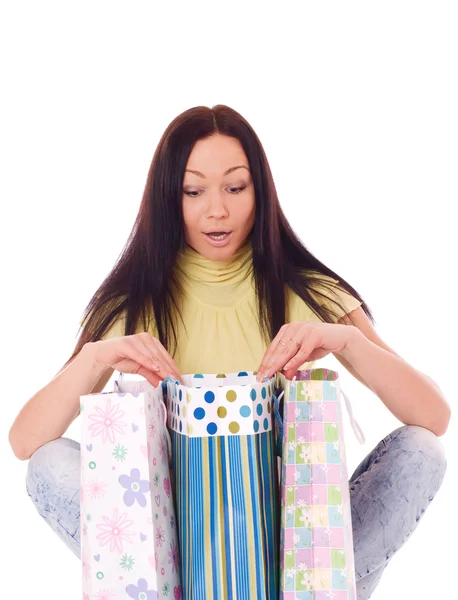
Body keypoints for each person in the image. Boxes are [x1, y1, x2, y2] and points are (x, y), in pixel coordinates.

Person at [9, 105, 449, 600]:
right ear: (168, 199)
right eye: (193, 192)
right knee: (49, 465)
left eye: (235, 188)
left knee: (420, 451)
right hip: (169, 560)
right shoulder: (132, 303)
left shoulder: (309, 292)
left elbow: (432, 416)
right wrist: (94, 358)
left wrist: (347, 340)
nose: (216, 210)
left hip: (295, 559)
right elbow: (26, 442)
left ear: (259, 192)